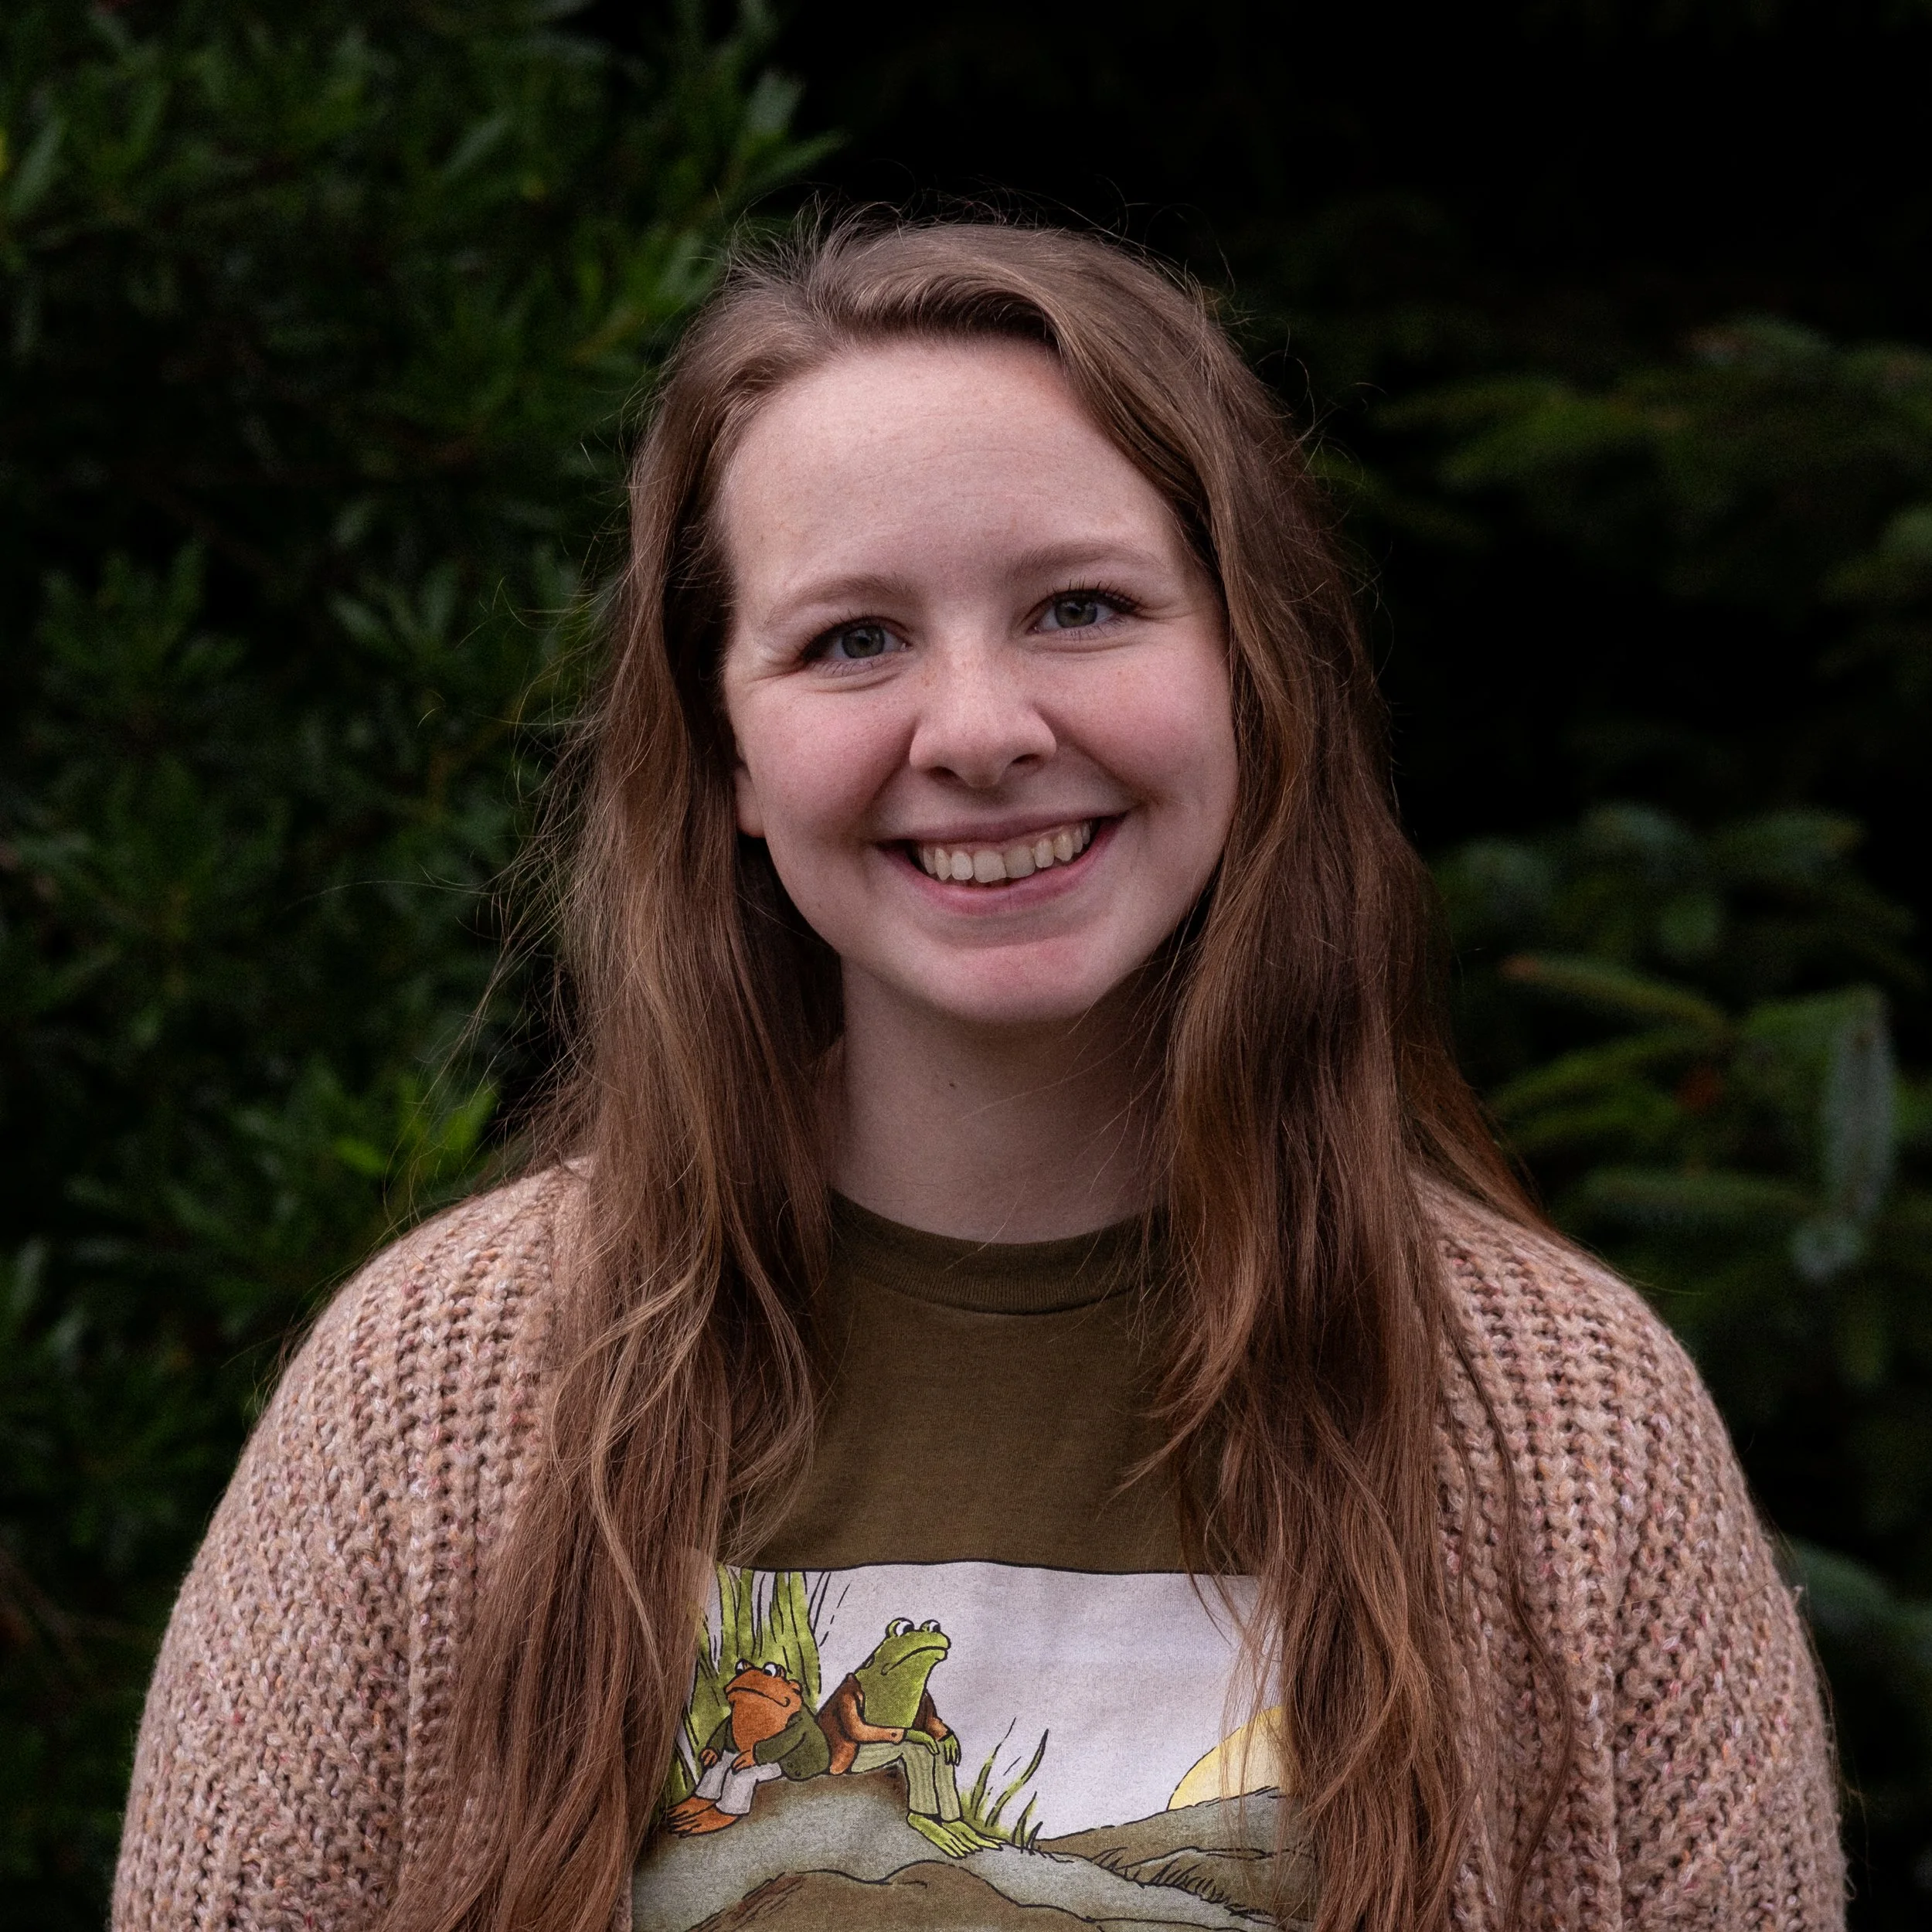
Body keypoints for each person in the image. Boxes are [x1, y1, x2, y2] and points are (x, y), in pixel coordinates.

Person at [112, 217, 1845, 1932]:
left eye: (1079, 606)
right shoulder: (435, 1401)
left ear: (1251, 667)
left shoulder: (1569, 1431)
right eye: (851, 638)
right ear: (724, 747)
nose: (975, 728)